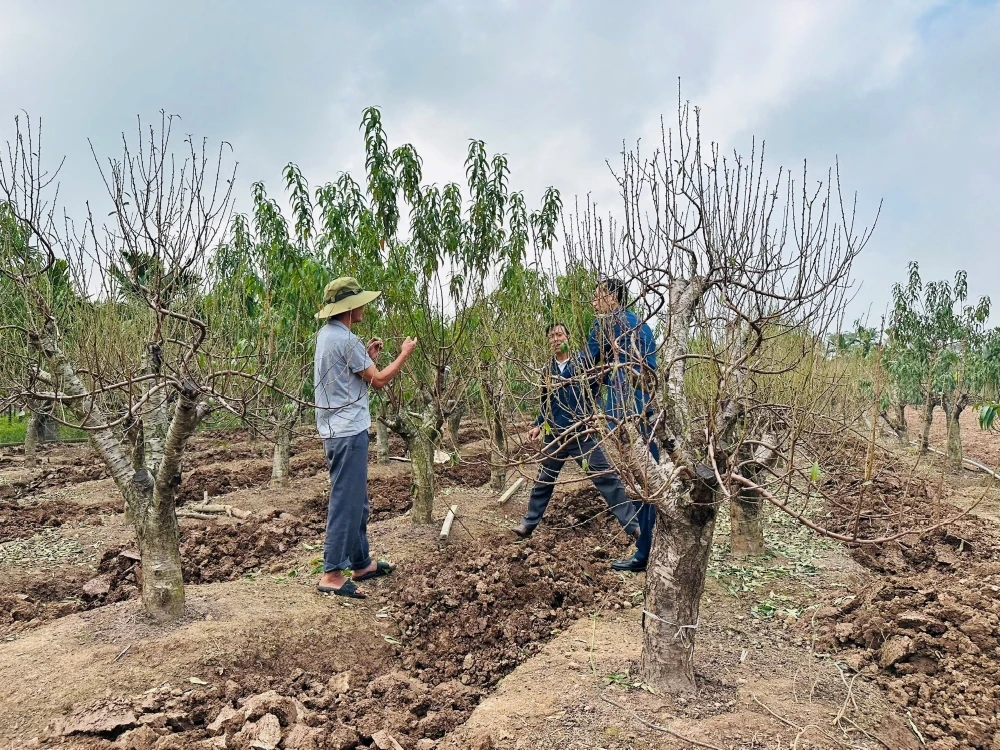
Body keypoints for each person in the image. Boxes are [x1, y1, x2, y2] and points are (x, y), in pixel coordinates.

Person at [313, 277, 417, 599]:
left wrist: (366, 354)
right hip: (347, 432)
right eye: (360, 301)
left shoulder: (328, 336)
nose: (364, 306)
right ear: (349, 307)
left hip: (336, 428)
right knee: (346, 501)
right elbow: (380, 380)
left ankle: (361, 563)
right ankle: (331, 572)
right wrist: (404, 354)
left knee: (357, 500)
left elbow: (350, 375)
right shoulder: (346, 341)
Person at [511, 322, 640, 541]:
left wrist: (592, 418)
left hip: (583, 434)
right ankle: (527, 524)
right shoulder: (547, 370)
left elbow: (599, 388)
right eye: (551, 336)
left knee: (606, 478)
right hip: (556, 436)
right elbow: (546, 402)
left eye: (560, 334)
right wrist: (538, 424)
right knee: (544, 480)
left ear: (568, 337)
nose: (556, 339)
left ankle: (633, 527)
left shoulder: (584, 362)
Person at [586, 277, 660, 573]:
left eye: (597, 296)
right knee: (651, 480)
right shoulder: (643, 326)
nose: (593, 303)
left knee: (639, 484)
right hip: (647, 412)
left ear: (611, 298)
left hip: (622, 413)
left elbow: (590, 367)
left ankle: (643, 553)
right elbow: (649, 373)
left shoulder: (605, 326)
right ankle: (650, 547)